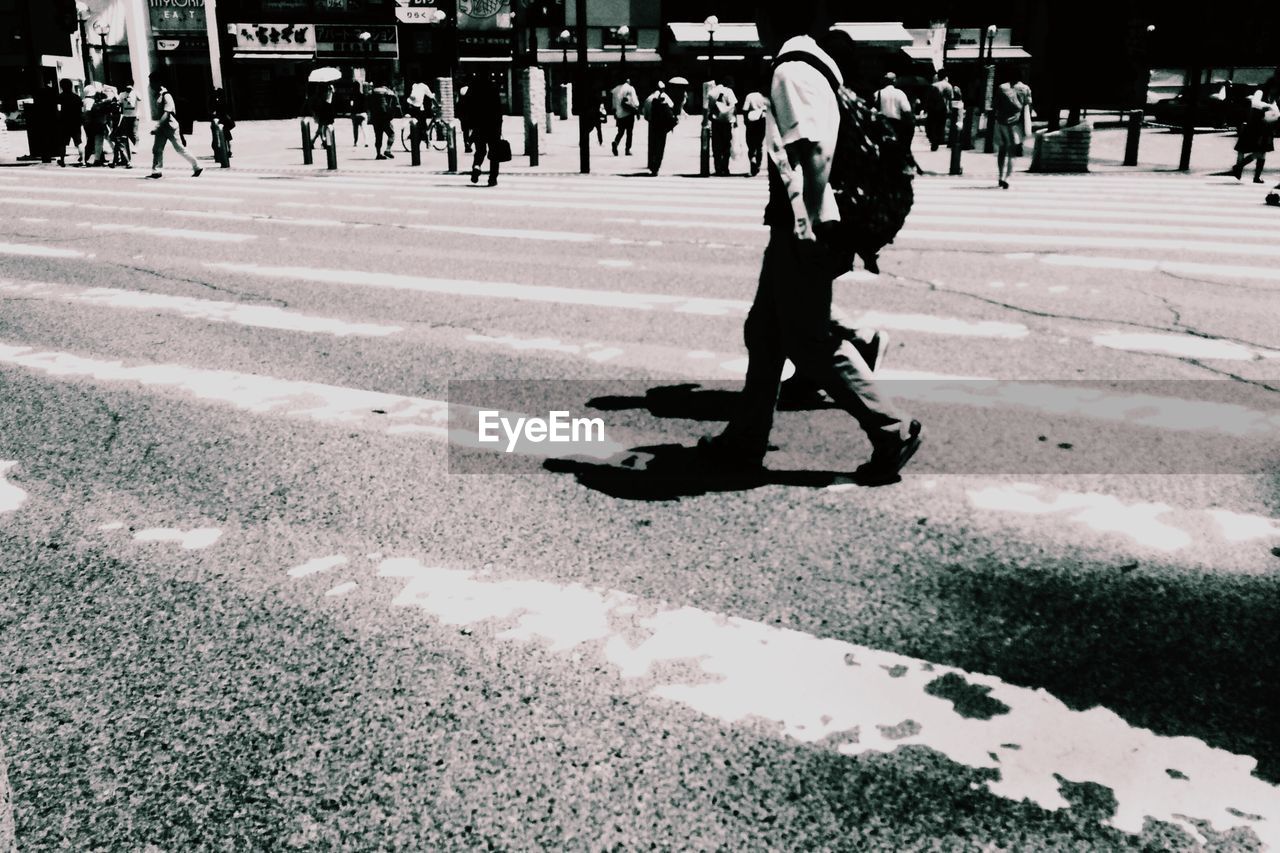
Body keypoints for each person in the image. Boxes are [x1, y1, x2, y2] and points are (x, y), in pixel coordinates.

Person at [698, 0, 922, 486]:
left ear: (770, 18)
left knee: (807, 338)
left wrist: (806, 223)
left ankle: (890, 429)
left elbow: (815, 153)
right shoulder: (816, 64)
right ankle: (745, 438)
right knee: (765, 331)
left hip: (809, 221)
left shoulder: (791, 70)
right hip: (804, 219)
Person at [147, 79, 202, 179]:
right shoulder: (158, 95)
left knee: (179, 148)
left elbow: (167, 113)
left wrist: (157, 126)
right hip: (162, 128)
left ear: (158, 82)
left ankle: (197, 166)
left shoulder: (166, 95)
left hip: (170, 127)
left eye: (152, 82)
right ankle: (156, 171)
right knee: (157, 149)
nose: (150, 85)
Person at [1231, 81, 1277, 183]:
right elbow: (1255, 103)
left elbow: (1276, 110)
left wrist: (1274, 112)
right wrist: (1268, 106)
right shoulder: (1260, 92)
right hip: (1255, 125)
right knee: (1247, 149)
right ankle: (1240, 169)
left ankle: (1253, 175)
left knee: (1262, 152)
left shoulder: (1273, 97)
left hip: (1265, 126)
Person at [467, 77, 505, 186]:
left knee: (480, 150)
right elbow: (498, 109)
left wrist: (471, 124)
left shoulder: (474, 88)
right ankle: (492, 178)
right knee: (494, 153)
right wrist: (499, 126)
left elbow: (469, 107)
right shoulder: (493, 89)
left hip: (479, 125)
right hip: (493, 125)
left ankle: (476, 166)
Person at [992, 70, 1025, 189]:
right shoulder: (1025, 88)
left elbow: (995, 105)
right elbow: (1027, 107)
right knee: (1012, 152)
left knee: (1002, 150)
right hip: (1015, 124)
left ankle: (1000, 177)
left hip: (1001, 122)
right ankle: (1007, 178)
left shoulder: (1001, 87)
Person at [646, 80, 683, 176]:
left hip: (652, 125)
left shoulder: (649, 98)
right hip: (662, 126)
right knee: (660, 147)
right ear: (662, 88)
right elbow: (672, 107)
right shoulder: (666, 97)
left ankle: (651, 165)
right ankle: (657, 166)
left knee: (652, 146)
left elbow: (645, 114)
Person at [873, 71, 914, 150]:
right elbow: (907, 110)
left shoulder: (877, 93)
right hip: (897, 124)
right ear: (894, 81)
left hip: (882, 125)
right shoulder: (900, 93)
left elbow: (873, 110)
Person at [709, 77, 739, 176]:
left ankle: (717, 168)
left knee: (716, 146)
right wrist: (736, 120)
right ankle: (725, 168)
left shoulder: (713, 92)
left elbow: (709, 107)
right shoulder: (729, 91)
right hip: (727, 122)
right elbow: (734, 107)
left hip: (716, 122)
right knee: (726, 146)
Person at [369, 80, 401, 160]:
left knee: (378, 136)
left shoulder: (372, 91)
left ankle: (378, 154)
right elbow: (396, 104)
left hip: (375, 117)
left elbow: (368, 104)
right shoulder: (388, 91)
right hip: (385, 116)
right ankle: (388, 150)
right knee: (391, 134)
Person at [56, 79, 85, 167]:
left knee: (62, 143)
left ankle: (62, 161)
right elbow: (81, 110)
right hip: (75, 123)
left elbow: (58, 110)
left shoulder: (60, 97)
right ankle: (83, 161)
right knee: (79, 142)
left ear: (62, 86)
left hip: (64, 123)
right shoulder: (77, 97)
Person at [741, 88, 769, 176]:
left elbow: (745, 110)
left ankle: (752, 158)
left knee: (751, 145)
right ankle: (758, 165)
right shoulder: (764, 97)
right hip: (762, 121)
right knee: (759, 144)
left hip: (751, 121)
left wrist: (745, 121)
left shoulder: (749, 96)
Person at [925, 68, 954, 151]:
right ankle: (937, 141)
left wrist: (926, 108)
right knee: (940, 126)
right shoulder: (948, 86)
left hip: (932, 109)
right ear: (946, 76)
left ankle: (933, 139)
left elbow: (928, 99)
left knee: (932, 125)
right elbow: (950, 99)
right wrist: (951, 110)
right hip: (943, 109)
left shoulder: (933, 85)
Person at [611, 77, 640, 156]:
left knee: (620, 132)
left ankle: (615, 143)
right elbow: (635, 102)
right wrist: (637, 111)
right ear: (627, 81)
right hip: (629, 115)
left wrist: (615, 114)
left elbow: (613, 105)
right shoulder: (630, 88)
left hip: (619, 115)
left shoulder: (615, 90)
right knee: (629, 133)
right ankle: (627, 150)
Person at [114, 83, 139, 167]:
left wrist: (133, 91)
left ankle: (136, 146)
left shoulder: (135, 92)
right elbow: (119, 102)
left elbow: (140, 99)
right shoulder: (122, 94)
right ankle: (126, 157)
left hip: (134, 115)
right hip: (126, 116)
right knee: (127, 133)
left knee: (134, 132)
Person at [210, 88, 234, 164]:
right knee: (228, 139)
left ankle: (222, 153)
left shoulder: (218, 102)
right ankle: (229, 151)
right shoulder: (226, 100)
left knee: (220, 137)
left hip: (221, 121)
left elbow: (215, 112)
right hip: (226, 121)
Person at [350, 82, 369, 147]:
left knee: (355, 129)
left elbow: (351, 105)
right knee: (364, 129)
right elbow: (366, 106)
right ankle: (366, 142)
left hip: (355, 114)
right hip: (363, 114)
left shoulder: (352, 96)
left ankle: (356, 142)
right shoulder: (363, 96)